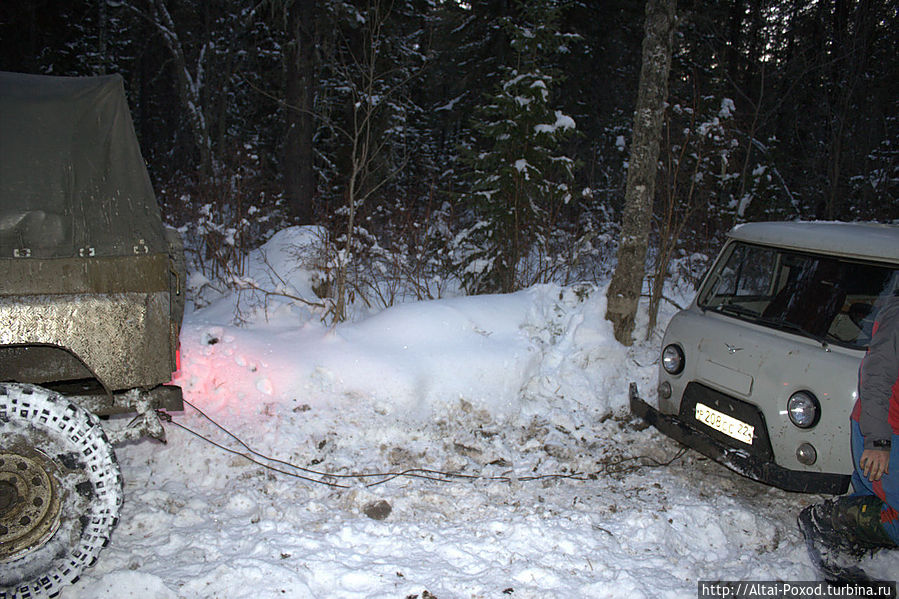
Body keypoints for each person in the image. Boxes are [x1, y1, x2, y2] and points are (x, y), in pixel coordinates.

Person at [798, 291, 899, 583]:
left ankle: (849, 548)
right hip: (885, 430)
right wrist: (878, 442)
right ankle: (824, 521)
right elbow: (877, 374)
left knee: (871, 496)